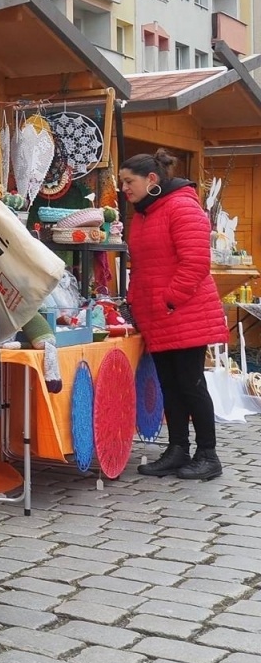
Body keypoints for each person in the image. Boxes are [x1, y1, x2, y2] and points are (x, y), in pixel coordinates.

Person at [119, 149, 226, 481]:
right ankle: (178, 449)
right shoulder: (144, 215)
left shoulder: (182, 207)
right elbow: (142, 267)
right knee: (170, 386)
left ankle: (208, 455)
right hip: (159, 316)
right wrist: (136, 303)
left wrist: (168, 301)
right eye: (121, 181)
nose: (124, 187)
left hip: (183, 313)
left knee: (191, 385)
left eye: (128, 181)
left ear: (152, 179)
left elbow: (195, 264)